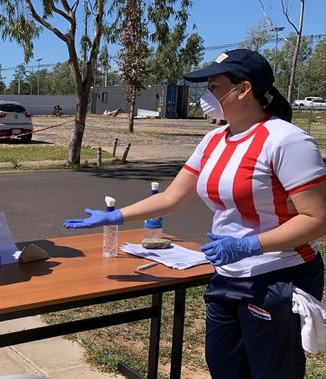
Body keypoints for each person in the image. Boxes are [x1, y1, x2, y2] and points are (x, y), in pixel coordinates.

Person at [63, 49, 326, 379]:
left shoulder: (287, 141)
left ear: (243, 89)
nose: (207, 96)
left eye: (214, 87)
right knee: (224, 366)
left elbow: (317, 218)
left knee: (271, 372)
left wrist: (251, 245)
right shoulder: (215, 139)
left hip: (277, 275)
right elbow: (175, 195)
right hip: (227, 273)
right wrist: (116, 216)